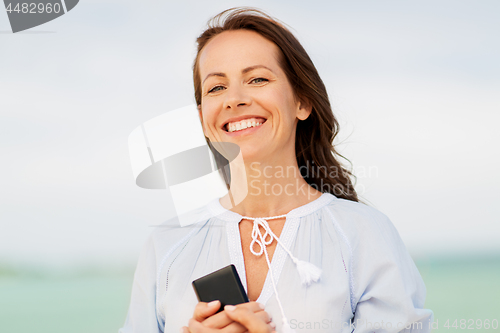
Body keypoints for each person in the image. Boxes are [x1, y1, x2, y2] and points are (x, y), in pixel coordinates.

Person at [120, 7, 433, 333]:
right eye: (216, 87)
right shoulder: (166, 246)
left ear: (302, 102)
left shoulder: (366, 237)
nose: (234, 99)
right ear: (202, 118)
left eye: (257, 79)